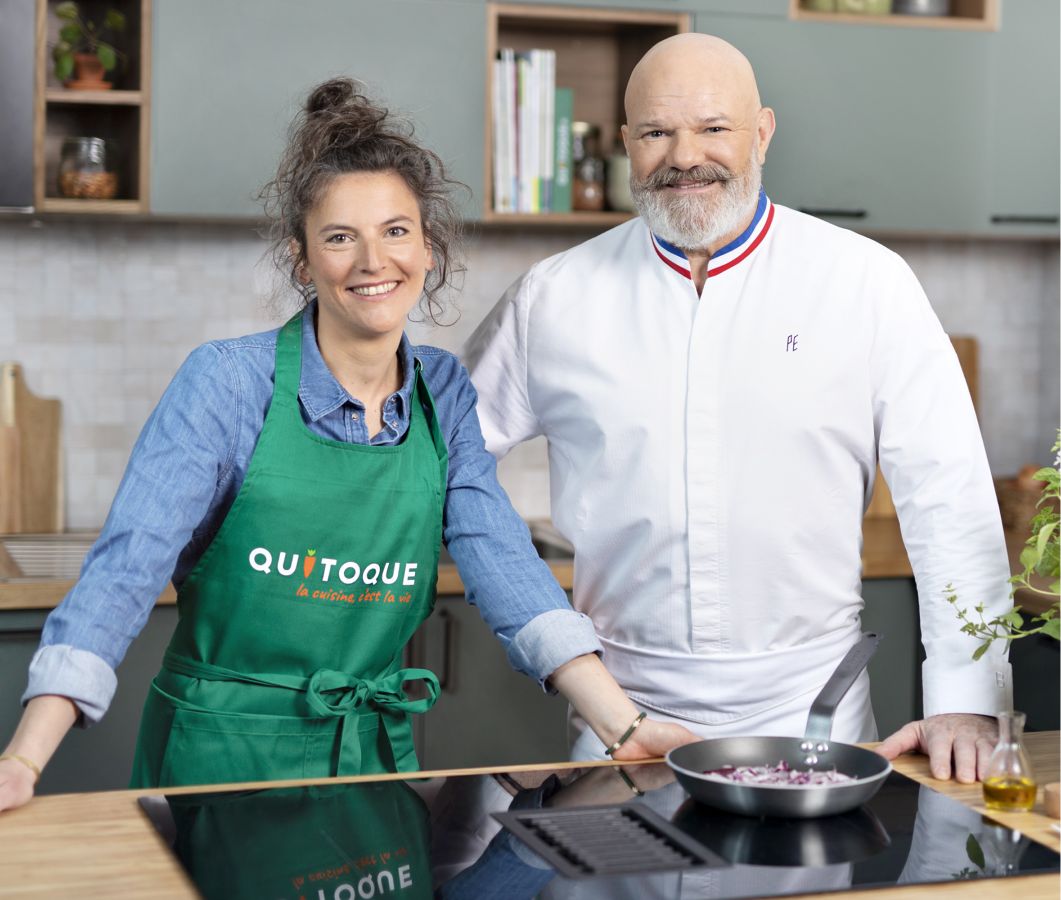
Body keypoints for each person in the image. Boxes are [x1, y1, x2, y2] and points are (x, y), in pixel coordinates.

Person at [0, 79, 698, 812]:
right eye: (340, 237)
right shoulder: (227, 384)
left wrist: (625, 725)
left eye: (396, 231)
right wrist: (23, 757)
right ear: (303, 261)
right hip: (219, 763)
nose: (373, 260)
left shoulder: (444, 394)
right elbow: (124, 572)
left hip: (369, 760)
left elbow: (507, 569)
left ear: (427, 250)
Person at [462, 34, 1010, 781]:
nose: (684, 155)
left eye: (713, 128)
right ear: (627, 143)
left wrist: (969, 697)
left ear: (761, 134)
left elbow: (948, 499)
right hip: (619, 716)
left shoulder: (866, 285)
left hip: (811, 711)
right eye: (656, 132)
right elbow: (447, 461)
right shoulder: (552, 296)